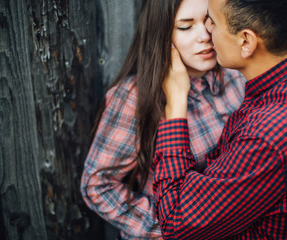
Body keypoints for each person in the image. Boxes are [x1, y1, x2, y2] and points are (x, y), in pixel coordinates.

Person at [152, 0, 287, 239]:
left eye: (212, 21)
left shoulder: (267, 138)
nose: (207, 30)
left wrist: (174, 108)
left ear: (246, 42)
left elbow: (176, 223)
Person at [80, 0, 245, 239]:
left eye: (209, 21)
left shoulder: (234, 76)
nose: (204, 36)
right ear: (162, 34)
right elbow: (97, 184)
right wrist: (165, 230)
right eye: (185, 26)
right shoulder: (135, 98)